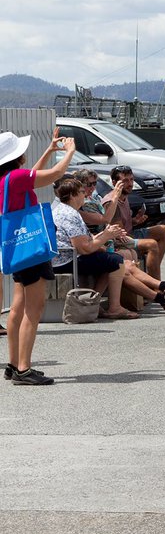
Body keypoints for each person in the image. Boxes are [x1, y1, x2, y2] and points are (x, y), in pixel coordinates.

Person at [1, 130, 76, 385]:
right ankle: (23, 369)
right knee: (34, 310)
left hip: (18, 247)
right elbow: (54, 176)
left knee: (17, 308)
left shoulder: (7, 179)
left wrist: (49, 151)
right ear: (17, 156)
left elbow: (32, 175)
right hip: (31, 247)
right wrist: (69, 153)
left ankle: (12, 364)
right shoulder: (18, 177)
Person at [51, 177, 165, 317]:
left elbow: (84, 241)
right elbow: (84, 248)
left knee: (121, 262)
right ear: (73, 195)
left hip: (67, 257)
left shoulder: (67, 211)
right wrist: (106, 236)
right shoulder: (70, 214)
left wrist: (106, 236)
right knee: (115, 261)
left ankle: (163, 293)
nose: (84, 194)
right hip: (66, 261)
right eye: (81, 191)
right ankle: (116, 307)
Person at [102, 165, 165, 279]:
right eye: (125, 181)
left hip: (129, 233)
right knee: (151, 244)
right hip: (120, 240)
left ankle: (153, 275)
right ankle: (157, 285)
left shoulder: (124, 196)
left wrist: (134, 221)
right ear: (114, 183)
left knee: (163, 230)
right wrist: (141, 243)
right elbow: (120, 234)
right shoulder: (111, 202)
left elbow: (123, 224)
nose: (130, 184)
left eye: (131, 179)